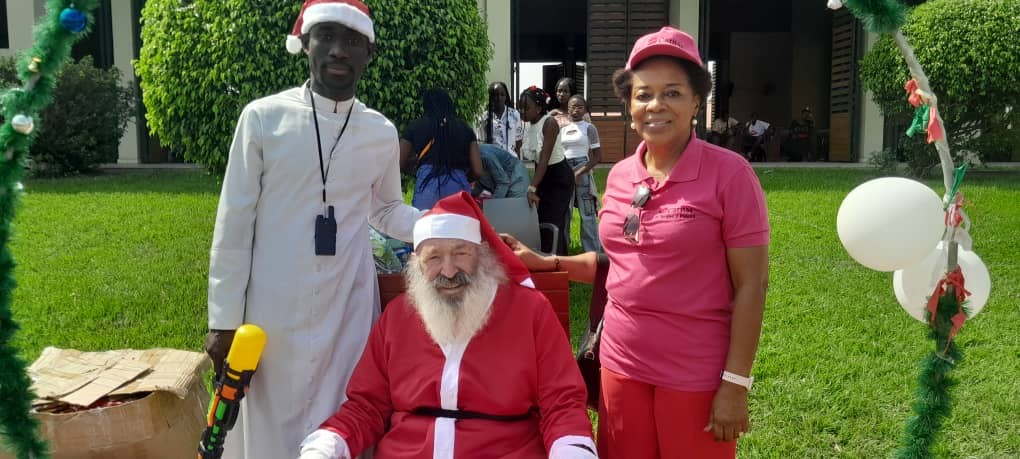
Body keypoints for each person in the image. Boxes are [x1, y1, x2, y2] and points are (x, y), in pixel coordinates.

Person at [503, 26, 770, 459]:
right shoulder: (622, 175)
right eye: (644, 94)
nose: (656, 105)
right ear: (629, 105)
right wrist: (545, 260)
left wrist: (736, 384)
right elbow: (618, 263)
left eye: (673, 93)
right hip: (621, 364)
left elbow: (752, 286)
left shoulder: (730, 175)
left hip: (694, 374)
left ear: (696, 102)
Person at [205, 2, 421, 457]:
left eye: (353, 41)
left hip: (348, 306)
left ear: (369, 54)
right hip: (271, 308)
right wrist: (223, 321)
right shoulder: (263, 118)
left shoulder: (380, 131)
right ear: (305, 44)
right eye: (327, 37)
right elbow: (234, 222)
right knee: (268, 420)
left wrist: (442, 227)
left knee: (341, 417)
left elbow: (386, 210)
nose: (339, 50)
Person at [298, 192, 597, 459]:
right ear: (416, 263)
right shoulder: (398, 316)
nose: (449, 270)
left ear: (482, 252)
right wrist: (327, 445)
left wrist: (571, 451)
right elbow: (367, 406)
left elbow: (561, 403)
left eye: (461, 253)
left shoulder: (529, 310)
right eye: (434, 258)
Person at [400, 88, 484, 210]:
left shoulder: (415, 127)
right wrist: (464, 177)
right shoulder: (465, 129)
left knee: (427, 221)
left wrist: (417, 169)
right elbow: (478, 170)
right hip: (458, 185)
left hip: (427, 184)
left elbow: (399, 162)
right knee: (457, 222)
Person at [519, 86, 574, 255]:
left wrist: (532, 188)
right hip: (544, 177)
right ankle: (546, 258)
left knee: (554, 222)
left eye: (526, 107)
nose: (522, 111)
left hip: (559, 179)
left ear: (539, 108)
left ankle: (559, 262)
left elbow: (544, 159)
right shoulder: (529, 125)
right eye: (520, 107)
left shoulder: (549, 123)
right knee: (541, 220)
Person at [559, 95, 603, 253]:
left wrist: (579, 173)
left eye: (579, 107)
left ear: (585, 110)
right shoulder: (562, 129)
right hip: (565, 169)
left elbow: (597, 157)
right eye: (572, 107)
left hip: (583, 168)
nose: (575, 110)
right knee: (565, 213)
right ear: (568, 108)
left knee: (588, 213)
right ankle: (563, 250)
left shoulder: (589, 128)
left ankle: (592, 252)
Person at [477, 81, 524, 157]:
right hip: (492, 159)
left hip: (510, 159)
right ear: (491, 97)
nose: (499, 98)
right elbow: (481, 142)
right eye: (496, 95)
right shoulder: (484, 117)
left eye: (502, 95)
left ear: (506, 97)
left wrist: (517, 161)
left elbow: (518, 142)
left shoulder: (514, 115)